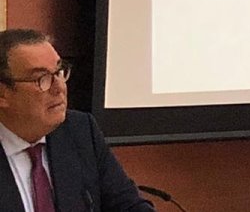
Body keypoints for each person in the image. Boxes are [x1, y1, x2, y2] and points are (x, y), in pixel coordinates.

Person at [0, 28, 152, 211]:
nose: (59, 88)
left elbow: (128, 205)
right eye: (42, 78)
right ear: (3, 93)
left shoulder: (80, 131)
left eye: (59, 72)